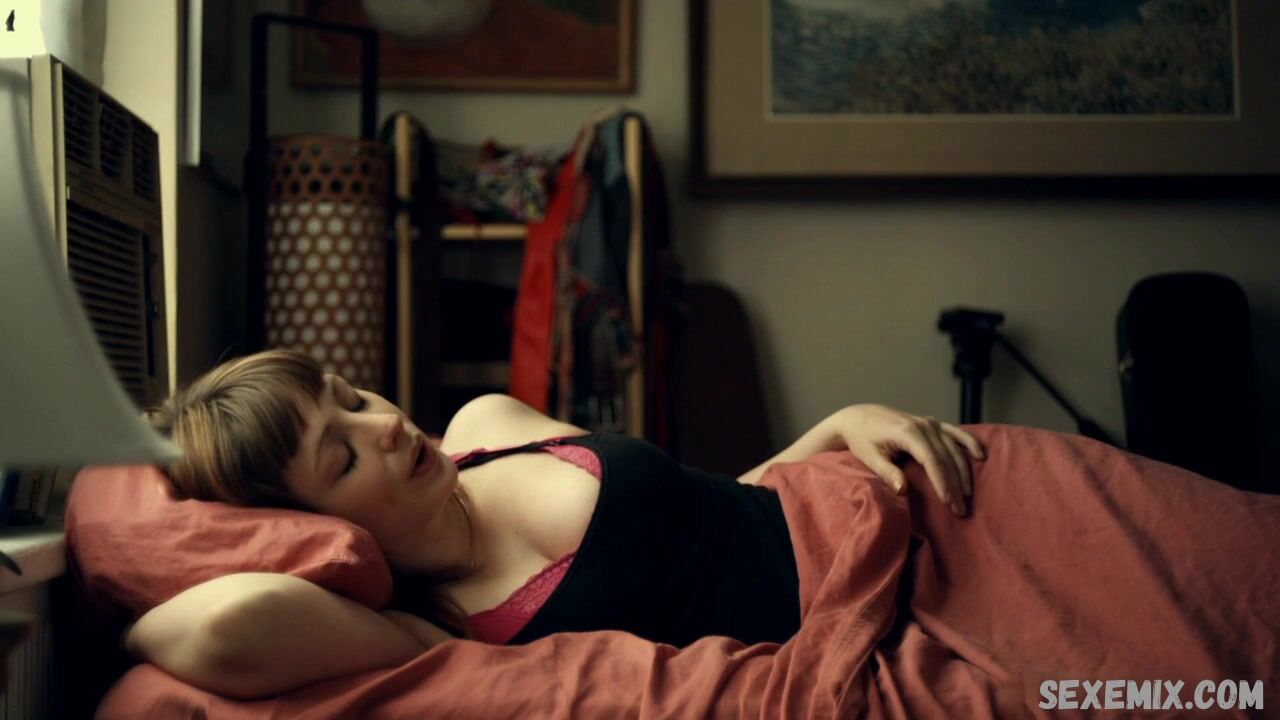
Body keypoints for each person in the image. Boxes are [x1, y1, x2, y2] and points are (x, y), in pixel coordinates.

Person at [125, 349, 985, 700]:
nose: (382, 425)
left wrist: (836, 425)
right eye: (340, 458)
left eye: (350, 397)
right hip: (882, 626)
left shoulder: (485, 425)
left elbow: (714, 502)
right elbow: (223, 627)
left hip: (904, 507)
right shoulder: (425, 625)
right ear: (312, 524)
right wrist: (120, 629)